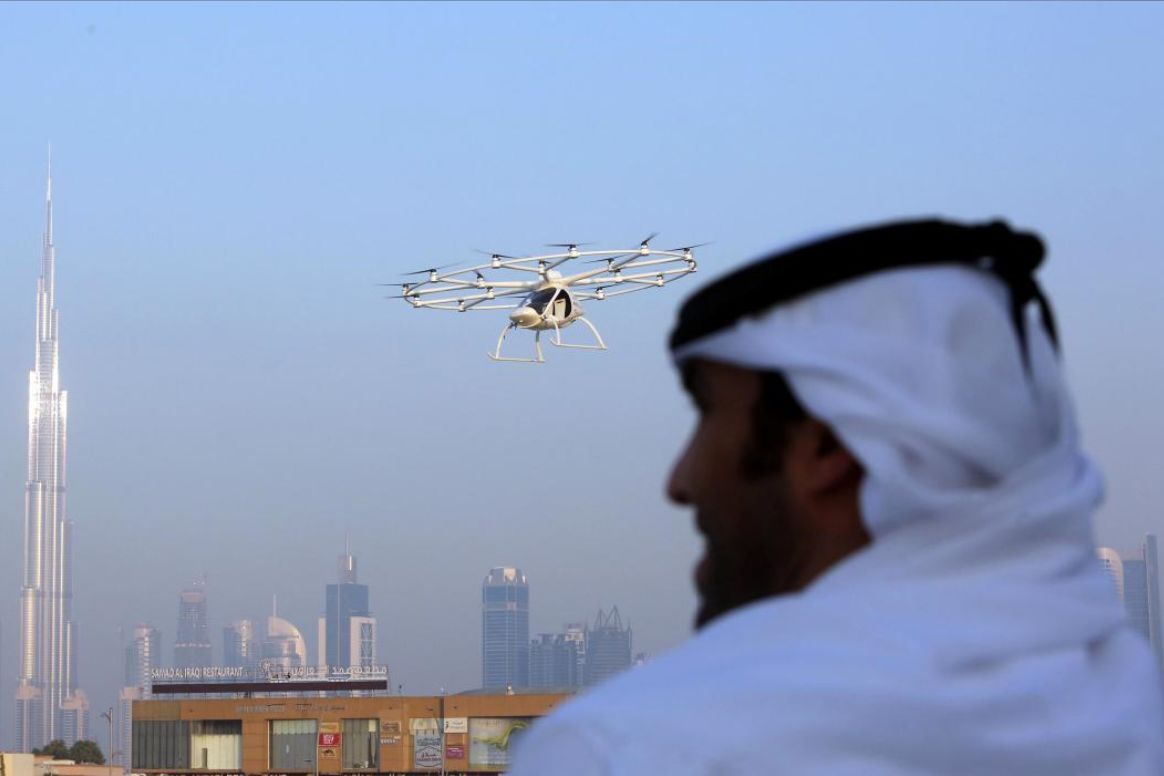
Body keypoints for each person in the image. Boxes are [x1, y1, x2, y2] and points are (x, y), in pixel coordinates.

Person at [508, 219, 1164, 774]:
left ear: (824, 449)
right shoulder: (1133, 708)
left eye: (707, 413)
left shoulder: (631, 748)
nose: (680, 481)